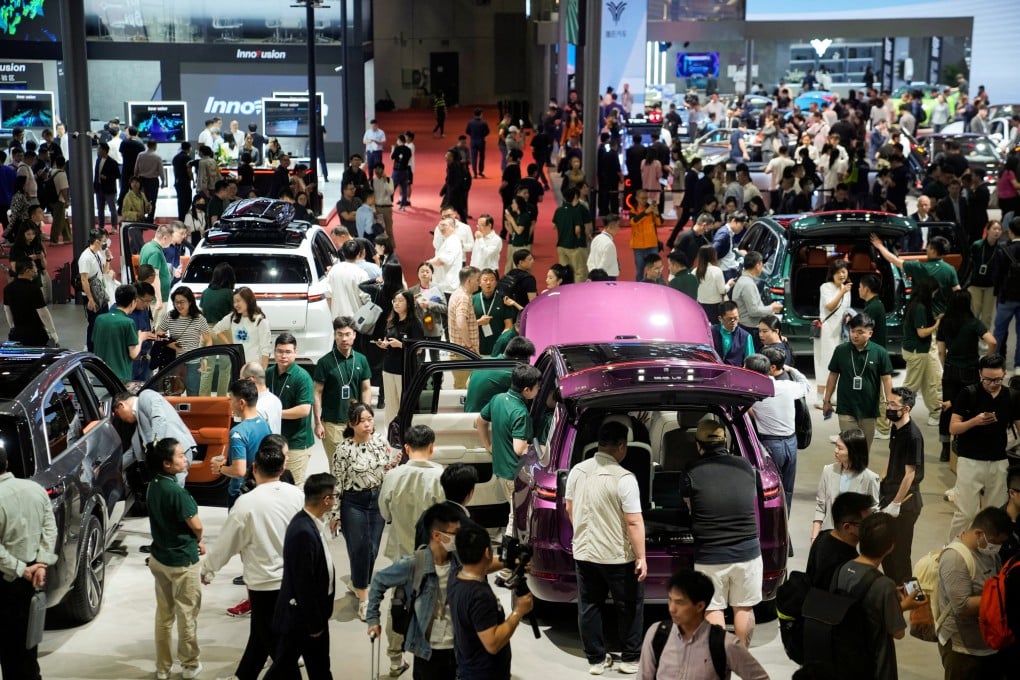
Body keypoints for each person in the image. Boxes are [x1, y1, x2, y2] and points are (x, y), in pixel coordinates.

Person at [200, 439, 304, 680]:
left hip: (263, 584)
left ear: (255, 468)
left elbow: (227, 542)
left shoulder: (246, 504)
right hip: (292, 582)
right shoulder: (297, 496)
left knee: (277, 648)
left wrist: (208, 569)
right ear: (281, 469)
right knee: (260, 635)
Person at [565, 419, 646, 674]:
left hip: (585, 552)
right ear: (622, 447)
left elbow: (570, 508)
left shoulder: (577, 471)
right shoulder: (625, 478)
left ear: (599, 444)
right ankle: (631, 659)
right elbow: (633, 521)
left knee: (589, 605)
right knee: (629, 605)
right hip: (617, 557)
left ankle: (596, 661)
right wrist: (641, 556)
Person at [680, 419, 762, 646]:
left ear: (698, 445)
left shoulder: (691, 471)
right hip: (748, 550)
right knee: (743, 607)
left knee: (713, 608)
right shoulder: (746, 466)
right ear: (725, 441)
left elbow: (690, 506)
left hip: (710, 553)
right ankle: (741, 653)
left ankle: (717, 657)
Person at [368, 503, 465, 679]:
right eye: (455, 534)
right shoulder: (414, 563)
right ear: (437, 535)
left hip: (458, 647)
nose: (458, 539)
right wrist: (373, 618)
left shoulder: (459, 561)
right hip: (427, 650)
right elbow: (379, 580)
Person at [377, 425, 445, 675]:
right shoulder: (440, 475)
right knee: (435, 607)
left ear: (406, 448)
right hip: (433, 556)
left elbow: (384, 512)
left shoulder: (393, 475)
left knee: (399, 604)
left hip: (403, 553)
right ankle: (428, 656)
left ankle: (395, 659)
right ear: (432, 447)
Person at [828, 513, 924, 680]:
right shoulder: (884, 585)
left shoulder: (842, 569)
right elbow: (898, 633)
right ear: (890, 547)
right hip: (874, 666)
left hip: (843, 660)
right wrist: (904, 606)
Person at [263, 473, 338, 679]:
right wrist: (314, 623)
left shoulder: (310, 523)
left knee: (317, 666)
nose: (335, 500)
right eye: (335, 495)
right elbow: (303, 584)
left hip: (311, 616)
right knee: (287, 666)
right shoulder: (303, 531)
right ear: (326, 500)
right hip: (303, 619)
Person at [329, 403, 399, 620]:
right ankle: (364, 598)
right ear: (352, 424)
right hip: (354, 503)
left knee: (372, 549)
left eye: (370, 419)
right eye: (363, 421)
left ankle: (357, 582)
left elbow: (386, 468)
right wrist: (335, 514)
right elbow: (336, 484)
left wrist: (394, 464)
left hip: (377, 501)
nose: (368, 424)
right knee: (359, 548)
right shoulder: (343, 450)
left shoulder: (380, 441)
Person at [636, 569, 770, 680]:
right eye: (670, 600)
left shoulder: (724, 644)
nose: (672, 608)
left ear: (700, 606)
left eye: (680, 602)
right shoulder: (657, 634)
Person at [145, 438, 205, 680]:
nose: (185, 459)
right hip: (182, 561)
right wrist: (199, 540)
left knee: (164, 616)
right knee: (187, 615)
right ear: (167, 464)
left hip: (159, 559)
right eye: (180, 455)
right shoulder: (177, 492)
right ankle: (190, 666)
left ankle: (163, 668)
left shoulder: (153, 486)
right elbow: (197, 526)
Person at [447, 521, 534, 680]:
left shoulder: (455, 576)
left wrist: (510, 561)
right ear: (487, 552)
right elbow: (492, 643)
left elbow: (482, 565)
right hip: (485, 674)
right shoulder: (479, 596)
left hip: (467, 668)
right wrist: (518, 611)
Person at [947, 354, 1020, 542]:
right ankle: (952, 550)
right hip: (970, 460)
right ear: (980, 374)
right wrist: (975, 421)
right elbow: (953, 428)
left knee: (994, 514)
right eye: (987, 379)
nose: (992, 383)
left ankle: (989, 552)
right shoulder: (968, 393)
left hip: (998, 461)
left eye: (997, 379)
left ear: (1004, 373)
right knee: (966, 513)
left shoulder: (1011, 396)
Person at [0, 444, 57, 680]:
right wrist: (41, 564)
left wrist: (21, 569)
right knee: (28, 646)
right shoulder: (35, 489)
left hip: (7, 581)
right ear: (7, 463)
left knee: (9, 652)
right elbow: (50, 528)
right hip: (34, 579)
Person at [937, 507, 1012, 678]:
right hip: (963, 650)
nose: (997, 547)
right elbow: (962, 606)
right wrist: (1002, 597)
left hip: (989, 646)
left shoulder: (991, 555)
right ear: (979, 533)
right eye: (994, 542)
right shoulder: (955, 559)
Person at [476, 364, 541, 536]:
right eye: (537, 387)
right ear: (526, 390)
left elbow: (480, 421)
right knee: (516, 517)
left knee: (512, 512)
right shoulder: (520, 412)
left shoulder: (497, 399)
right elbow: (519, 449)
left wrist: (488, 446)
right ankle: (511, 551)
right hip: (514, 474)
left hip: (500, 470)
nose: (539, 389)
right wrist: (540, 449)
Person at [939, 290, 998, 462]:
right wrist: (987, 361)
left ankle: (945, 449)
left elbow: (941, 350)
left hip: (950, 370)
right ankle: (962, 443)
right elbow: (992, 341)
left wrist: (945, 366)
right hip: (970, 371)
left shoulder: (945, 322)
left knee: (947, 407)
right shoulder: (974, 323)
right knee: (968, 406)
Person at [746, 351, 809, 512]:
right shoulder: (787, 386)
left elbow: (744, 410)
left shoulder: (753, 394)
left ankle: (772, 526)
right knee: (787, 490)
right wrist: (791, 369)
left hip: (771, 445)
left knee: (770, 491)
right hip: (791, 443)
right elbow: (805, 386)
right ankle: (784, 524)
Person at [821, 313, 894, 448]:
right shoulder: (841, 350)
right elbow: (833, 376)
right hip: (846, 407)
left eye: (860, 332)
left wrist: (890, 404)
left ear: (870, 333)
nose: (855, 335)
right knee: (849, 448)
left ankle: (860, 469)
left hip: (869, 409)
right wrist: (827, 400)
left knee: (864, 449)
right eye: (852, 331)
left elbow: (887, 379)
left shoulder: (879, 352)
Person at [879, 387, 925, 584]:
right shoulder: (895, 427)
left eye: (892, 405)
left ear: (906, 409)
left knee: (901, 554)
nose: (888, 408)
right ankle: (894, 592)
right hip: (890, 493)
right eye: (887, 403)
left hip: (906, 502)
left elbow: (910, 474)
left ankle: (913, 598)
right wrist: (881, 479)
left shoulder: (912, 436)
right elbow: (892, 458)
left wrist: (896, 504)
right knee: (886, 551)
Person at [314, 315, 373, 461]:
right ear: (334, 336)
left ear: (354, 335)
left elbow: (366, 389)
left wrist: (365, 417)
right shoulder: (324, 362)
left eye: (347, 334)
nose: (344, 339)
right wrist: (317, 423)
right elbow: (317, 392)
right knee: (337, 468)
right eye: (339, 335)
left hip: (356, 424)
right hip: (332, 424)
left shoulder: (361, 359)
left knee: (358, 465)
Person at [209, 379, 273, 507]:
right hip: (259, 488)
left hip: (240, 493)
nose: (230, 403)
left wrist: (220, 468)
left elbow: (239, 471)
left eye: (231, 399)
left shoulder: (238, 433)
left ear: (241, 403)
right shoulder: (264, 423)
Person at [811, 428, 881, 542]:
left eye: (840, 448)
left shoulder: (870, 478)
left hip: (855, 542)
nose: (835, 450)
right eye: (836, 446)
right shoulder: (828, 471)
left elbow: (872, 514)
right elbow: (820, 507)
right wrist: (814, 538)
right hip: (829, 537)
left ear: (853, 451)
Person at [265, 333, 316, 485]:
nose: (283, 356)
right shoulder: (268, 373)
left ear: (295, 352)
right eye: (280, 351)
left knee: (294, 486)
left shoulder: (302, 377)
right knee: (273, 484)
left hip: (296, 443)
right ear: (274, 352)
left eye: (288, 352)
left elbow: (304, 410)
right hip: (273, 441)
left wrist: (275, 414)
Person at [806, 491, 874, 590]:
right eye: (867, 523)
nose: (872, 526)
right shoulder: (849, 564)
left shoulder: (824, 535)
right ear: (848, 527)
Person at [899, 279, 944, 424]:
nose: (934, 296)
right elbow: (922, 333)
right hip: (917, 352)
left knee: (930, 383)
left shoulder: (914, 305)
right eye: (934, 293)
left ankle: (935, 414)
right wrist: (937, 324)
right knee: (911, 386)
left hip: (919, 352)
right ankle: (897, 413)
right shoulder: (919, 308)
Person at [378, 290, 425, 427]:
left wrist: (401, 345)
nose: (396, 303)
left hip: (405, 370)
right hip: (388, 368)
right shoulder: (392, 321)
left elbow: (419, 349)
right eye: (395, 301)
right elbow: (389, 340)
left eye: (400, 301)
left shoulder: (414, 323)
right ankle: (391, 435)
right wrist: (384, 344)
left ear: (409, 303)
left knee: (404, 404)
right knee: (390, 404)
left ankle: (404, 434)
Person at [155, 287, 212, 395]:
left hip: (193, 361)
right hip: (174, 362)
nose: (179, 306)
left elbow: (208, 340)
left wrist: (205, 358)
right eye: (176, 303)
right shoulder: (169, 316)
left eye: (182, 302)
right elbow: (158, 334)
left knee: (193, 394)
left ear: (190, 302)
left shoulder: (199, 318)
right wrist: (169, 344)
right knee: (174, 393)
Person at [93, 283, 155, 382]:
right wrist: (141, 337)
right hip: (122, 375)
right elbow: (133, 354)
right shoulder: (128, 322)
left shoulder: (100, 319)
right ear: (133, 302)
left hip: (102, 373)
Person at [813, 258, 853, 406]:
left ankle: (833, 395)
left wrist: (848, 316)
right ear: (832, 274)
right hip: (827, 332)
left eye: (844, 271)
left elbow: (845, 309)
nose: (841, 274)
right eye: (838, 272)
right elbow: (830, 306)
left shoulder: (846, 288)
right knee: (824, 363)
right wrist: (842, 292)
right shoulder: (826, 287)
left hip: (840, 331)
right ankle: (819, 397)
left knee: (838, 363)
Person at [211, 287, 272, 368]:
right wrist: (230, 345)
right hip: (238, 364)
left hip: (255, 367)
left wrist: (263, 371)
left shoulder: (260, 321)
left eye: (238, 301)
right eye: (234, 302)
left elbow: (265, 349)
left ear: (248, 300)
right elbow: (217, 329)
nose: (235, 305)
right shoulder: (232, 317)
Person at [731, 252, 783, 346]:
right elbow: (754, 311)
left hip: (746, 326)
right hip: (750, 329)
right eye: (762, 264)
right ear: (758, 265)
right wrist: (772, 308)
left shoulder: (744, 281)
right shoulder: (748, 284)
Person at [3, 258, 57, 347]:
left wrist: (12, 327)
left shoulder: (8, 288)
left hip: (18, 334)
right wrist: (52, 332)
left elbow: (7, 310)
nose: (36, 269)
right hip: (36, 334)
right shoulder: (34, 289)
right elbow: (43, 313)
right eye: (34, 266)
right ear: (27, 271)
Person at [79, 229, 111, 352]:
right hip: (91, 294)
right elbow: (84, 280)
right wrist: (90, 299)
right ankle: (91, 348)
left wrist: (108, 259)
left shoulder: (97, 254)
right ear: (97, 241)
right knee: (94, 323)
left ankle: (100, 346)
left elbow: (104, 272)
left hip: (100, 291)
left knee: (103, 321)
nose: (106, 243)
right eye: (104, 241)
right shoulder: (85, 257)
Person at [240, 361, 283, 434]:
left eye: (241, 381)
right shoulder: (275, 399)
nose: (240, 385)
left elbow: (252, 438)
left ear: (250, 380)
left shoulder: (255, 408)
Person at [629, 189, 662, 281]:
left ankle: (658, 288)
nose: (644, 200)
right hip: (638, 246)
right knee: (640, 271)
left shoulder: (651, 209)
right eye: (642, 198)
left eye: (646, 198)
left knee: (656, 270)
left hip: (652, 244)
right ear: (637, 198)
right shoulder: (633, 210)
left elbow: (660, 223)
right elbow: (633, 221)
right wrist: (645, 213)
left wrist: (657, 213)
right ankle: (639, 291)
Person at [712, 302, 755, 367]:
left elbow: (751, 363)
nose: (733, 321)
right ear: (720, 318)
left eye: (736, 318)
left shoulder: (745, 336)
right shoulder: (711, 332)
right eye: (729, 319)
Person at [696, 244, 729, 321]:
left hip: (700, 304)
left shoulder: (695, 271)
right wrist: (729, 285)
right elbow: (722, 290)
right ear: (713, 256)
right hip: (715, 306)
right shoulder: (716, 270)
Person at [93, 142, 120, 231]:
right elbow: (96, 174)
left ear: (104, 150)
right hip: (99, 188)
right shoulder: (98, 160)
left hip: (109, 189)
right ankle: (101, 226)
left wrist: (107, 177)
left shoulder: (112, 162)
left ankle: (114, 227)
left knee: (112, 208)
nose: (98, 151)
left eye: (99, 149)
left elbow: (117, 175)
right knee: (100, 209)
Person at [588, 215, 621, 280]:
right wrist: (596, 276)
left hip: (596, 274)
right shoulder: (609, 244)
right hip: (607, 277)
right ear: (611, 227)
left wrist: (592, 274)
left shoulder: (596, 239)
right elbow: (604, 264)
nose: (619, 228)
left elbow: (590, 260)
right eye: (618, 225)